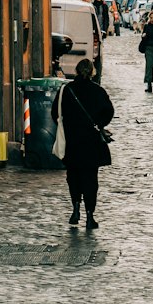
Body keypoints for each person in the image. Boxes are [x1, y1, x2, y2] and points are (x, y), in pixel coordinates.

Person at [51, 58, 114, 230]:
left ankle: (76, 208)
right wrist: (98, 124)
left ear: (77, 71)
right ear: (92, 71)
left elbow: (55, 113)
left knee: (73, 176)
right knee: (90, 179)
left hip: (72, 141)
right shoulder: (98, 91)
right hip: (91, 142)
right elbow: (109, 112)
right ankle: (90, 215)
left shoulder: (67, 90)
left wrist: (66, 126)